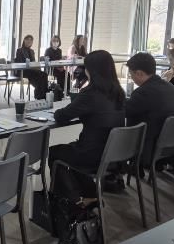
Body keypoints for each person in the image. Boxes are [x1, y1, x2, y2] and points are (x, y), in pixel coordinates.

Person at [49, 50, 125, 205]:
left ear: (92, 71)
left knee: (55, 153)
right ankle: (89, 194)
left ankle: (72, 201)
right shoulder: (119, 92)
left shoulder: (90, 94)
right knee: (69, 151)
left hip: (91, 154)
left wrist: (59, 110)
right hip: (113, 153)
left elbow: (62, 116)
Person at [125, 53, 174, 167]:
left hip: (148, 146)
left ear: (139, 73)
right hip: (170, 142)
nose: (132, 78)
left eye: (131, 74)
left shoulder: (143, 92)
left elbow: (124, 111)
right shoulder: (170, 87)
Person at [15, 34, 49, 99]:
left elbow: (33, 61)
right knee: (40, 76)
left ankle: (44, 95)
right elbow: (19, 62)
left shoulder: (32, 51)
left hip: (31, 70)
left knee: (44, 75)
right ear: (24, 40)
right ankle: (40, 96)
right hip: (22, 70)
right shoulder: (19, 50)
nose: (29, 41)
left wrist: (36, 65)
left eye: (31, 40)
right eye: (27, 39)